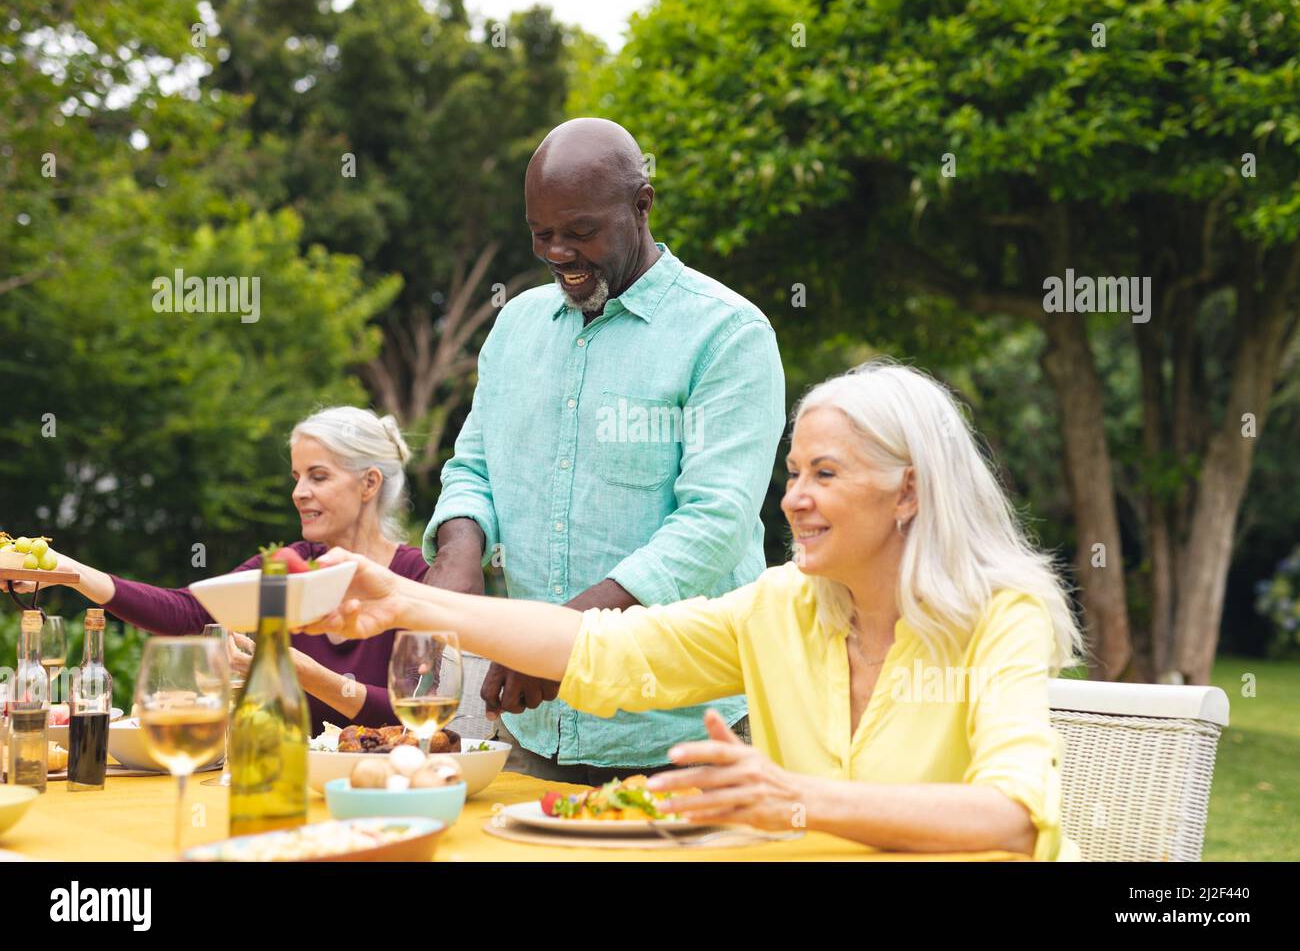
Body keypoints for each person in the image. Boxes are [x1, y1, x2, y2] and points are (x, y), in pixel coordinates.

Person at [307, 361, 1082, 859]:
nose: (794, 499)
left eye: (825, 473)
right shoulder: (781, 606)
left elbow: (1011, 816)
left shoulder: (997, 614)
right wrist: (408, 598)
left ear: (908, 490)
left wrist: (791, 798)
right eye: (793, 471)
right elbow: (601, 650)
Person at [421, 117, 785, 782]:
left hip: (689, 734)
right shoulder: (516, 327)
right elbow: (474, 467)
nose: (559, 252)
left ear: (641, 207)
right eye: (542, 234)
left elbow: (712, 526)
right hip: (537, 736)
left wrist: (564, 644)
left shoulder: (728, 334)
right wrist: (457, 554)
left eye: (581, 232)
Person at [40, 406, 426, 735]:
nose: (298, 492)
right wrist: (69, 570)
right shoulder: (287, 565)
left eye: (318, 476)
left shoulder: (417, 576)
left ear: (369, 483)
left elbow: (418, 712)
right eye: (296, 478)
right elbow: (189, 612)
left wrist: (306, 673)